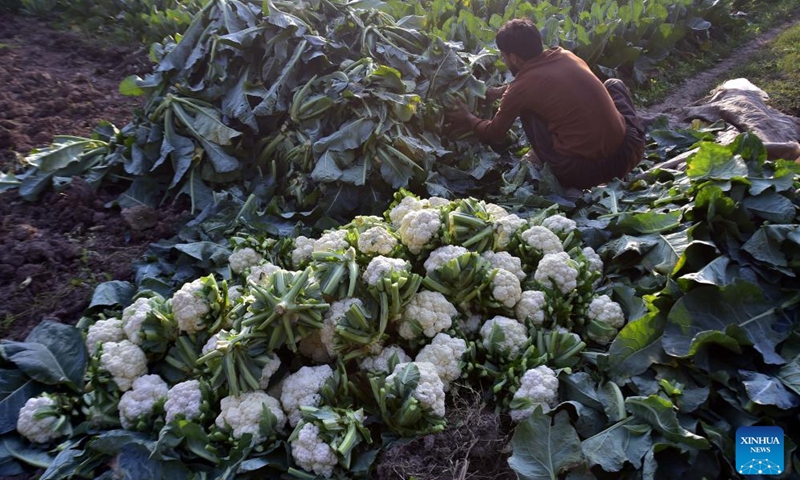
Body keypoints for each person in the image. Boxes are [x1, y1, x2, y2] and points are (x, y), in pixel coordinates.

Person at [446, 18, 646, 190]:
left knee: (527, 111)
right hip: (628, 153)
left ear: (513, 57)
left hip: (584, 173)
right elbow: (543, 83)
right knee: (613, 84)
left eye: (504, 56)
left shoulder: (521, 88)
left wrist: (468, 117)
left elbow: (494, 132)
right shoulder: (565, 55)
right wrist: (499, 92)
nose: (504, 60)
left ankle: (547, 164)